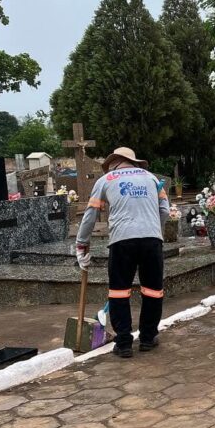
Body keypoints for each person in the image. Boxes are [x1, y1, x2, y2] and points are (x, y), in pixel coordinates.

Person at [75, 147, 170, 358]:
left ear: (115, 162)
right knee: (153, 291)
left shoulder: (106, 180)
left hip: (122, 241)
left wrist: (82, 244)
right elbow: (164, 210)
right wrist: (154, 229)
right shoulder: (151, 178)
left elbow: (90, 215)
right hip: (151, 240)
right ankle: (147, 338)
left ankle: (124, 343)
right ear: (133, 162)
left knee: (119, 292)